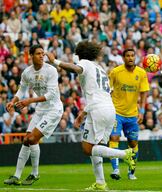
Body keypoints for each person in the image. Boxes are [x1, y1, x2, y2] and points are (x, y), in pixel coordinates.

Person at [46, 41, 135, 190]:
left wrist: (55, 61)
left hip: (98, 110)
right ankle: (100, 183)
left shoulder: (85, 63)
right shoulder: (99, 68)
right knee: (97, 147)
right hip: (109, 109)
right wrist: (84, 112)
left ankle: (124, 154)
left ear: (80, 53)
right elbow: (103, 93)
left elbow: (75, 68)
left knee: (88, 149)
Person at [3, 45, 63, 186]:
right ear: (31, 55)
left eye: (43, 53)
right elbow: (21, 89)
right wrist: (12, 101)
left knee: (32, 138)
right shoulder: (27, 72)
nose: (42, 56)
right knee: (26, 140)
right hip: (41, 109)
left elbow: (51, 95)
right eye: (38, 53)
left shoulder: (51, 70)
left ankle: (35, 173)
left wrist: (30, 101)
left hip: (53, 110)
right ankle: (16, 176)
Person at [108, 48, 149, 180]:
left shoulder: (141, 73)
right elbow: (107, 90)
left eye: (132, 55)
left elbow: (144, 93)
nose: (130, 58)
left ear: (135, 57)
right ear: (123, 58)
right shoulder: (115, 72)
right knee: (114, 139)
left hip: (132, 115)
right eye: (127, 56)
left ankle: (131, 172)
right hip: (116, 113)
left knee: (133, 143)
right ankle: (116, 170)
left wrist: (142, 111)